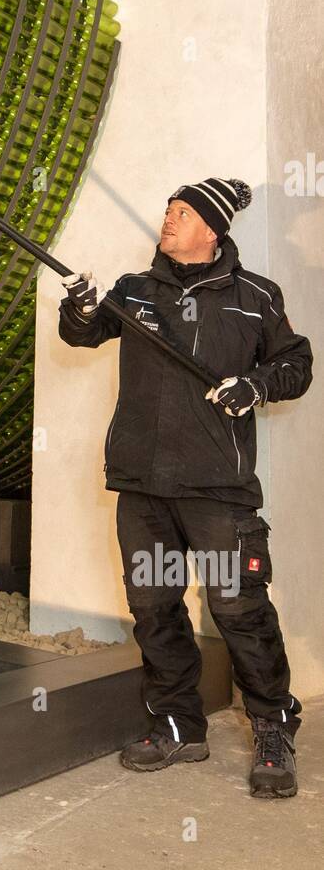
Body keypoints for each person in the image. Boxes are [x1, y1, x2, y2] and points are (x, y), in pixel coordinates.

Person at [57, 177, 313, 798]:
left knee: (238, 610)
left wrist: (253, 386)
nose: (167, 221)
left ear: (212, 228)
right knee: (153, 607)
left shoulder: (256, 297)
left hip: (218, 489)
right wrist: (81, 307)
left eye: (180, 213)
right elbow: (81, 335)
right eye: (167, 211)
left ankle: (273, 728)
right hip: (143, 486)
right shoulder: (135, 292)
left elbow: (296, 364)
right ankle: (176, 723)